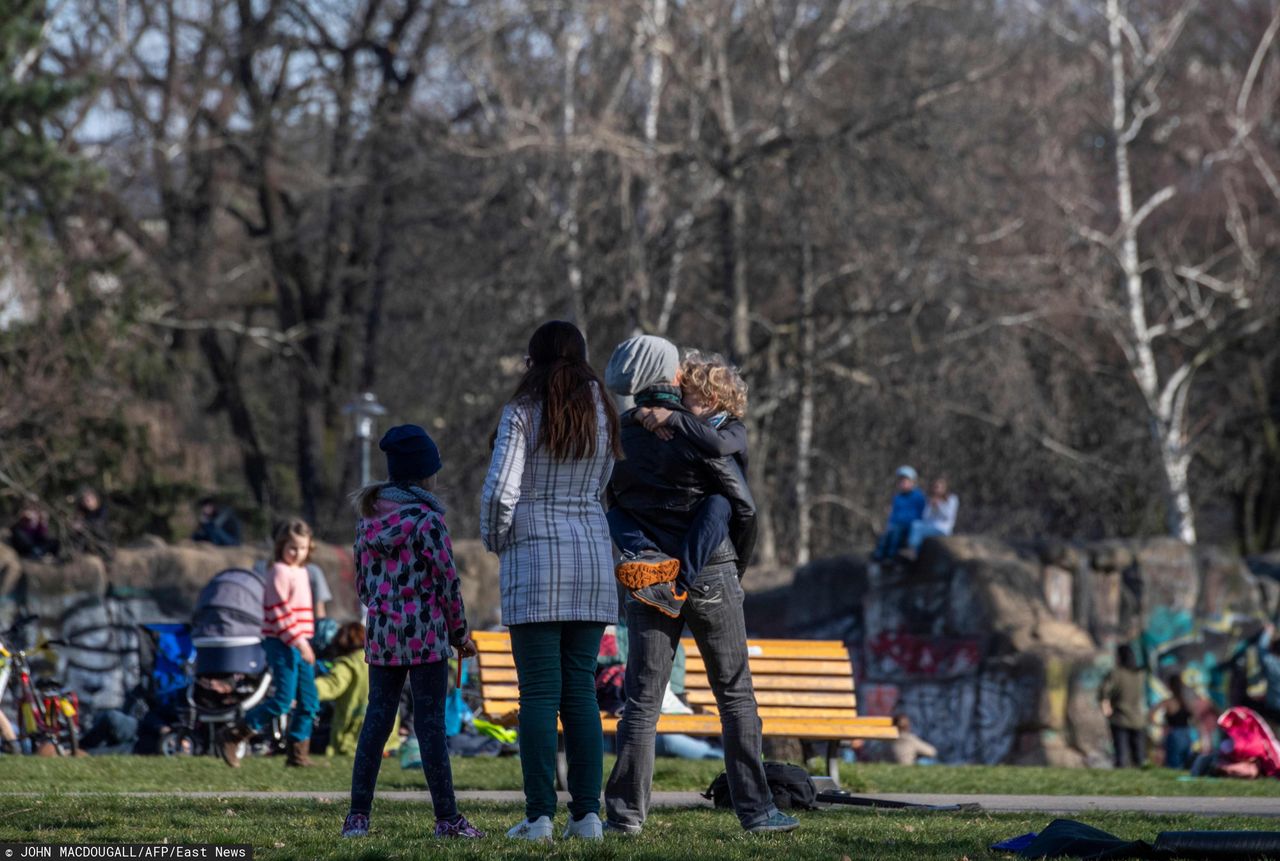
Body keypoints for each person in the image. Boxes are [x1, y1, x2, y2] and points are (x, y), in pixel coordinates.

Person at [602, 334, 797, 836]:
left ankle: (625, 817)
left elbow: (612, 502)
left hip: (648, 574)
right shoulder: (696, 433)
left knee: (642, 700)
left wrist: (637, 549)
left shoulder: (620, 433)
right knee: (734, 695)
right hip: (710, 568)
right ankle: (756, 811)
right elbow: (743, 504)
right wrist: (738, 568)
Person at [480, 320, 622, 842]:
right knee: (581, 692)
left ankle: (538, 816)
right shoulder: (604, 411)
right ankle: (588, 817)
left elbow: (500, 491)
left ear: (533, 359)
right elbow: (604, 483)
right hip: (589, 556)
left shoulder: (521, 412)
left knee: (539, 693)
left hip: (535, 561)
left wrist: (496, 539)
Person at [339, 425, 482, 839]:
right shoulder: (428, 521)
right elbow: (447, 582)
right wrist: (459, 634)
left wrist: (386, 607)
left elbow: (364, 587)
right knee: (430, 725)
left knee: (377, 720)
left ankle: (357, 817)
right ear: (425, 474)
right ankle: (447, 819)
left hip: (383, 635)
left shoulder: (368, 521)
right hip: (426, 636)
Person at [608, 351, 751, 618]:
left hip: (720, 521)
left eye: (685, 400)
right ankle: (649, 555)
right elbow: (617, 423)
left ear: (711, 400)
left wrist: (674, 418)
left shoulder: (733, 429)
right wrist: (638, 415)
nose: (679, 405)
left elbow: (718, 445)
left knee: (718, 504)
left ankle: (679, 585)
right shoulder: (690, 428)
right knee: (614, 515)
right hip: (688, 518)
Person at [217, 518, 319, 768]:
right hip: (282, 643)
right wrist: (300, 644)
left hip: (300, 642)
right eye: (292, 547)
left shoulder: (303, 572)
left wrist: (305, 642)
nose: (298, 553)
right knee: (283, 700)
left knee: (309, 701)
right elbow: (279, 612)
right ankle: (235, 734)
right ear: (281, 546)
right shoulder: (278, 572)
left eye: (303, 548)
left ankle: (297, 754)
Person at [314, 622, 400, 758]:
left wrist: (305, 689)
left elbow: (332, 685)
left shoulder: (349, 663)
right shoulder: (382, 661)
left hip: (354, 740)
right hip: (389, 739)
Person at [1100, 644, 1147, 768]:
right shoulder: (1140, 674)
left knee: (1121, 755)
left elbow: (1104, 691)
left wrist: (1105, 705)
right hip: (1138, 719)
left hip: (1120, 718)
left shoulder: (1116, 674)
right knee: (1140, 757)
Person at [1152, 672, 1212, 770]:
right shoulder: (1187, 702)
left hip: (1174, 733)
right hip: (1187, 734)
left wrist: (1161, 725)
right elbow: (1196, 720)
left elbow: (1151, 715)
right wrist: (1202, 736)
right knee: (1185, 762)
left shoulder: (1168, 702)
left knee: (1173, 763)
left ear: (1169, 686)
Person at [871, 467, 926, 562]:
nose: (902, 483)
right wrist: (889, 526)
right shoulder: (897, 497)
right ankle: (878, 556)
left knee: (896, 533)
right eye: (901, 481)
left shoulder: (919, 496)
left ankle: (891, 558)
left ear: (912, 482)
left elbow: (922, 514)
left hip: (910, 526)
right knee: (886, 534)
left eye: (905, 481)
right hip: (897, 525)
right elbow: (893, 515)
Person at [907, 478, 958, 553]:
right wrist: (930, 506)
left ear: (945, 488)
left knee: (917, 528)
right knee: (915, 524)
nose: (936, 490)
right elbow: (925, 517)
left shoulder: (952, 499)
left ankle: (913, 551)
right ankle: (913, 550)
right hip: (930, 526)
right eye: (935, 487)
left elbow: (948, 516)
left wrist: (939, 505)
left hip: (943, 529)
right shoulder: (930, 499)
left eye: (939, 487)